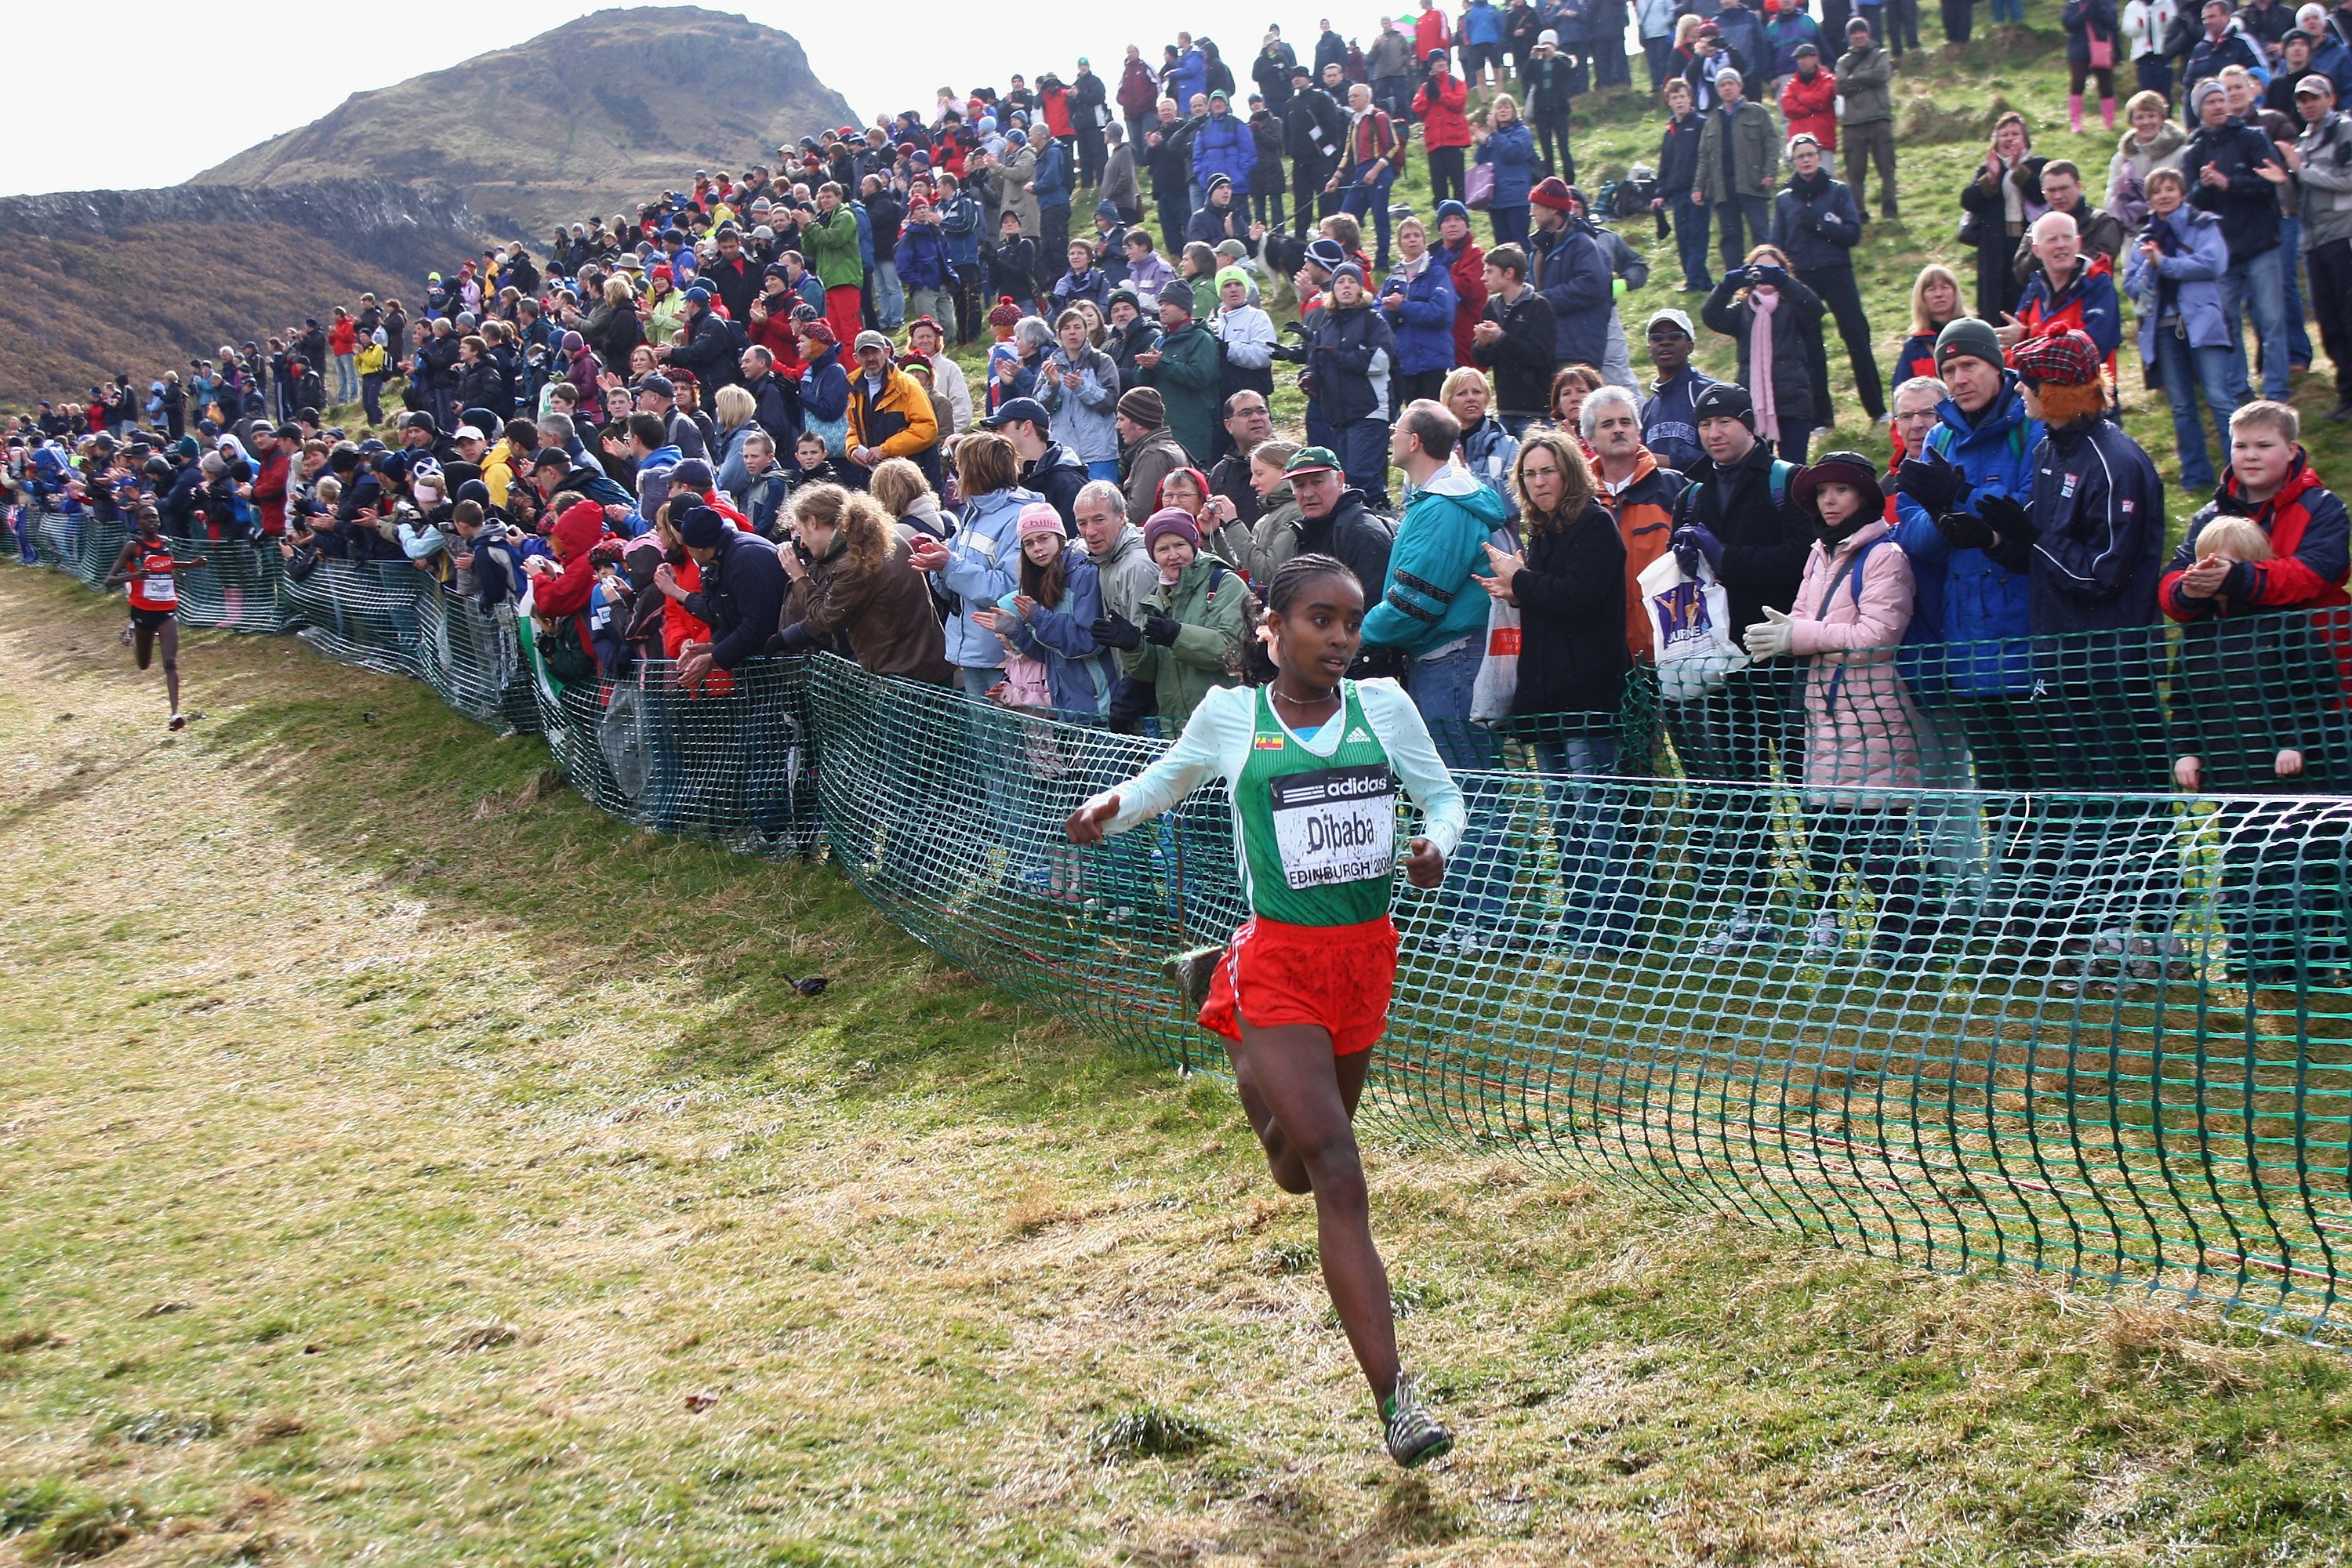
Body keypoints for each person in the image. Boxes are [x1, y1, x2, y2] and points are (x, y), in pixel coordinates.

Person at [1065, 551, 1462, 1472]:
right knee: (1339, 1168)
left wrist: (1435, 844)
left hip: (1365, 960)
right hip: (1282, 958)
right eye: (1320, 619)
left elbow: (1443, 797)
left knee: (1295, 1173)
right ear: (1271, 627)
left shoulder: (1386, 708)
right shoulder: (1233, 715)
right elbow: (1166, 780)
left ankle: (1222, 1009)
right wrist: (1110, 808)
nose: (1340, 637)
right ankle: (1398, 1403)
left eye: (1352, 621)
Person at [1739, 451, 1931, 964]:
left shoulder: (1885, 555)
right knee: (1833, 824)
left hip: (1872, 710)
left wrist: (1796, 636)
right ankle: (1878, 932)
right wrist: (1783, 630)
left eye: (1840, 490)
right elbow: (1803, 614)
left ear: (1864, 497)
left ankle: (1907, 938)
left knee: (1879, 833)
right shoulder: (1819, 554)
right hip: (1824, 712)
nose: (1829, 500)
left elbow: (1878, 635)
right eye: (1822, 492)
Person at [1479, 430, 1639, 949]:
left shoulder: (1595, 525)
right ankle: (1579, 917)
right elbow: (1550, 601)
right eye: (1529, 473)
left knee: (1598, 813)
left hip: (1588, 693)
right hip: (1544, 696)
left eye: (1547, 470)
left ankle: (1615, 924)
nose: (1539, 481)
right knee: (1565, 816)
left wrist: (1519, 581)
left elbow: (1578, 596)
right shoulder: (1542, 531)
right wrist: (1518, 587)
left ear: (1568, 471)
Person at [1668, 380, 1812, 955]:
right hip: (1723, 661)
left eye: (1726, 421)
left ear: (1750, 424)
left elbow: (1804, 561)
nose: (1714, 432)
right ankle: (1756, 903)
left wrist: (1731, 561)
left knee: (1808, 783)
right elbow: (1684, 584)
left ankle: (1826, 901)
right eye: (1705, 424)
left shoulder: (1788, 482)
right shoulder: (1693, 494)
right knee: (1741, 785)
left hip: (1783, 652)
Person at [1363, 401, 1512, 949]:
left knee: (1466, 791)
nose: (1391, 439)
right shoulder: (1435, 500)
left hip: (1451, 662)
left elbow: (1414, 603)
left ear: (1419, 442)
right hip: (1442, 660)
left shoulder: (1444, 508)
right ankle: (1475, 917)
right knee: (1462, 788)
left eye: (1398, 430)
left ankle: (1487, 921)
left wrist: (1355, 634)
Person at [2122, 165, 2237, 490]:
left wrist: (2166, 264)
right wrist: (2150, 265)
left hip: (2203, 323)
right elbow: (2130, 285)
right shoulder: (2145, 238)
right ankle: (2195, 477)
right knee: (2182, 405)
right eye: (2157, 192)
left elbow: (2214, 263)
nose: (2164, 196)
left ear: (2182, 193)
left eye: (2170, 189)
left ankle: (2241, 473)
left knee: (2219, 398)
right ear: (2149, 200)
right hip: (2164, 327)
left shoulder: (2204, 224)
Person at [768, 483, 953, 683]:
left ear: (813, 522)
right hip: (926, 663)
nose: (801, 543)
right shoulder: (879, 537)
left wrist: (799, 577)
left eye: (801, 531)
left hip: (901, 676)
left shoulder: (854, 562)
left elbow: (828, 618)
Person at [906, 432, 1042, 697]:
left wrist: (949, 566)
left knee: (1004, 737)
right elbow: (952, 572)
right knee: (981, 738)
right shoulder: (974, 513)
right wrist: (936, 561)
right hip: (973, 651)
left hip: (1001, 655)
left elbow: (1011, 590)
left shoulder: (1017, 518)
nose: (956, 474)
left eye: (960, 466)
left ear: (977, 472)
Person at [2182, 74, 2292, 401]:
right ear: (2198, 109)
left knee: (2271, 321)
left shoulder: (2254, 137)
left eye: (2220, 99)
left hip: (2261, 244)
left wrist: (2228, 183)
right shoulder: (2193, 151)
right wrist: (2205, 185)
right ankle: (2240, 392)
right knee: (2228, 325)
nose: (2217, 106)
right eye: (2209, 101)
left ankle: (2276, 390)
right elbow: (2191, 203)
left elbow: (2267, 184)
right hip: (2223, 253)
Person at [1090, 508, 1253, 726]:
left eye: (1180, 545)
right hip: (1174, 727)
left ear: (1194, 544)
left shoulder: (1225, 583)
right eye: (1163, 549)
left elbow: (1232, 650)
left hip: (1226, 723)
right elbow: (1151, 674)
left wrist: (1178, 635)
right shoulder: (1155, 599)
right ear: (1153, 556)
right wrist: (1134, 648)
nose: (1173, 556)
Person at [1770, 133, 1885, 427]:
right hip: (1802, 277)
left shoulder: (1838, 192)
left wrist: (1820, 227)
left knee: (1857, 336)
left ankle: (1877, 410)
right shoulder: (1784, 200)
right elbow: (1776, 244)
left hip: (1836, 271)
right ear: (1793, 162)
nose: (1806, 160)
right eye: (1800, 157)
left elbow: (1853, 234)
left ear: (1819, 158)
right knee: (1810, 347)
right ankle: (1822, 418)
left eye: (1810, 155)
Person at [1583, 383, 1690, 662]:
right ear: (1590, 439)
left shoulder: (1675, 487)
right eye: (1607, 424)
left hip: (1671, 650)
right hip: (1601, 655)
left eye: (1625, 422)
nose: (1618, 429)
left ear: (1637, 431)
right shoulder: (1579, 498)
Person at [1700, 247, 1824, 464]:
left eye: (1772, 270)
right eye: (1759, 270)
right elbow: (1711, 316)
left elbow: (1815, 308)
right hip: (1752, 405)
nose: (1765, 275)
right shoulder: (1742, 311)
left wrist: (1784, 282)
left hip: (1793, 401)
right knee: (1755, 470)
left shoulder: (1795, 307)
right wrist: (1725, 287)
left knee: (1794, 471)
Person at [104, 506, 205, 731]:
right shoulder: (134, 547)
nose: (152, 520)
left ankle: (175, 714)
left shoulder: (165, 543)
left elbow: (165, 564)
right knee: (144, 664)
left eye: (155, 517)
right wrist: (135, 576)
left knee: (170, 662)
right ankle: (133, 631)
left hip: (167, 610)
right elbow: (109, 580)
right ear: (138, 522)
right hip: (142, 611)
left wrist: (190, 565)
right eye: (146, 517)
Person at [2293, 71, 2352, 423]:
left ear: (2330, 98)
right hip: (2314, 241)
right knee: (2328, 323)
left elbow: (2348, 180)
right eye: (2302, 99)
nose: (2308, 104)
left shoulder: (2343, 130)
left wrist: (2301, 170)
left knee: (2348, 318)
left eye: (2314, 97)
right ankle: (2346, 393)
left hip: (2343, 236)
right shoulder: (2305, 140)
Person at [1959, 112, 2049, 323]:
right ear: (1996, 142)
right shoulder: (1989, 170)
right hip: (1995, 246)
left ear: (2025, 140)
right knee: (1996, 299)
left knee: (2027, 293)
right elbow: (1968, 201)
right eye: (2004, 135)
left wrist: (2018, 171)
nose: (2010, 139)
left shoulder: (2039, 166)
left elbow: (2039, 194)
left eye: (2015, 134)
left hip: (2029, 242)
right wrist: (1990, 178)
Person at [1526, 176, 1616, 377]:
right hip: (1550, 349)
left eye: (1537, 206)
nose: (1532, 212)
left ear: (1553, 209)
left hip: (1577, 349)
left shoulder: (1584, 245)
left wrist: (1542, 301)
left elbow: (1591, 285)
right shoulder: (1539, 249)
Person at [1693, 67, 1780, 270]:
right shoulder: (1712, 120)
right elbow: (1704, 158)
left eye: (1730, 83)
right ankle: (1737, 282)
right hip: (1722, 189)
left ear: (1740, 86)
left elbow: (1771, 144)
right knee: (1730, 238)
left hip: (1753, 183)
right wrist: (1698, 187)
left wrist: (1769, 173)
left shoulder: (1757, 112)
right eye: (1722, 85)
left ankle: (1769, 275)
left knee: (1761, 234)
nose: (1727, 88)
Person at [1469, 244, 1558, 435]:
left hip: (1536, 412)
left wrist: (1502, 338)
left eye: (1490, 272)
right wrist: (1482, 345)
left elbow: (1542, 356)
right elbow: (1482, 360)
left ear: (1509, 273)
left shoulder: (1539, 307)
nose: (1483, 278)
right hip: (1504, 409)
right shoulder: (1492, 307)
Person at [1381, 217, 1461, 409]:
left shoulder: (1438, 273)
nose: (1412, 239)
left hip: (1435, 360)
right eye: (1407, 236)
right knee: (1415, 420)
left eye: (1417, 235)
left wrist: (1402, 307)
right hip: (1406, 363)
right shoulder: (1393, 279)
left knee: (1436, 420)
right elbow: (1380, 319)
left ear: (1424, 241)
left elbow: (1442, 312)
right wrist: (1393, 310)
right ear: (1400, 244)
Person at [1332, 82, 1405, 271]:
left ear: (1367, 98)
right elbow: (1348, 153)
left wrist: (1376, 170)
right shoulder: (1353, 122)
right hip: (1360, 171)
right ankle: (1355, 256)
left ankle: (1382, 261)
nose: (1352, 99)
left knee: (1380, 216)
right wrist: (1336, 177)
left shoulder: (1379, 117)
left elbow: (1392, 145)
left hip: (1379, 168)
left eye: (1356, 96)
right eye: (1350, 96)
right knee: (1346, 217)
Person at [1654, 79, 1713, 292]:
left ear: (1690, 99)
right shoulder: (1669, 132)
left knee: (1698, 236)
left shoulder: (1701, 124)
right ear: (1668, 101)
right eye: (1674, 97)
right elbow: (1665, 167)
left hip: (1698, 191)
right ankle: (1700, 280)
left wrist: (1703, 186)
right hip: (1677, 194)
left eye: (1682, 96)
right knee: (1683, 238)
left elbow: (1707, 158)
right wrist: (1661, 193)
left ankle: (1695, 281)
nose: (1678, 101)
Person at [1116, 386, 1194, 524]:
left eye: (1122, 420)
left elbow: (1138, 514)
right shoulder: (1165, 447)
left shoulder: (1153, 456)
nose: (1118, 426)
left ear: (1139, 423)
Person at [1472, 94, 1538, 249]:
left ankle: (1526, 273)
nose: (1503, 111)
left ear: (1514, 111)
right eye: (1499, 108)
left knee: (1520, 243)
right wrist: (1483, 143)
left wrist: (1493, 135)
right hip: (1496, 200)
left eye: (1507, 107)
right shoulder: (1494, 137)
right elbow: (1481, 162)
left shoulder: (1522, 132)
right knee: (1502, 247)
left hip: (1517, 198)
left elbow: (1512, 153)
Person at [1892, 265, 1966, 398]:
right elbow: (1902, 397)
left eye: (1945, 287)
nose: (1939, 294)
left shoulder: (1974, 334)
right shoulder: (1914, 347)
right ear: (1921, 298)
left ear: (1955, 292)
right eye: (1931, 289)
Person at [1415, 50, 1473, 204]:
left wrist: (1440, 96)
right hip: (1435, 143)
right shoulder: (1425, 87)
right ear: (1432, 65)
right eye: (1437, 61)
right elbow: (1417, 109)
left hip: (1454, 141)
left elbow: (1459, 103)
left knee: (1458, 182)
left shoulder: (1456, 82)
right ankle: (1442, 215)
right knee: (1438, 183)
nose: (1441, 63)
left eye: (1443, 60)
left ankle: (1460, 213)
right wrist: (1429, 96)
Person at [2063, 0, 2124, 132]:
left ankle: (2109, 122)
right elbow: (2069, 25)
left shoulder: (2107, 3)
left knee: (2106, 85)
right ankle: (2076, 122)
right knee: (2078, 83)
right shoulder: (2074, 4)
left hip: (2102, 47)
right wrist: (2085, 11)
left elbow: (2112, 24)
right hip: (2078, 49)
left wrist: (2117, 53)